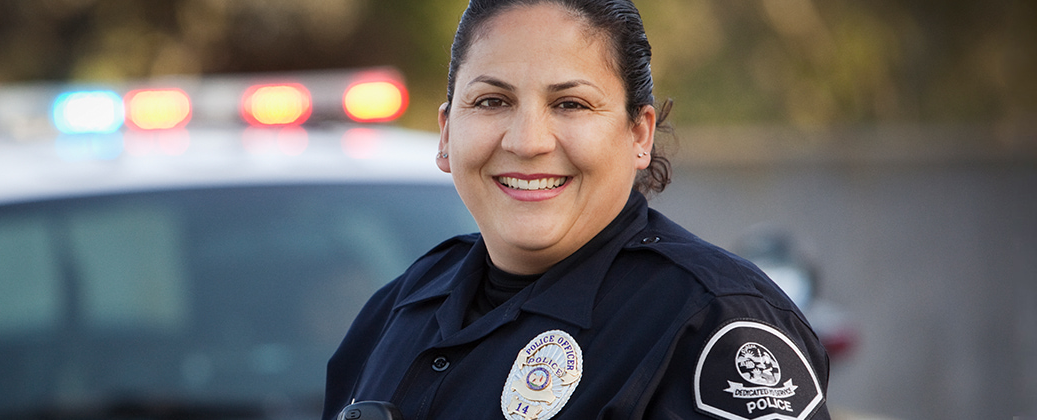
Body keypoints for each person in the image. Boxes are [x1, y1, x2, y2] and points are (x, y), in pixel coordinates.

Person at [322, 0, 830, 419]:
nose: (526, 142)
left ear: (639, 134)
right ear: (447, 133)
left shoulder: (713, 325)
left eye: (570, 104)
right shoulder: (396, 310)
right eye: (492, 101)